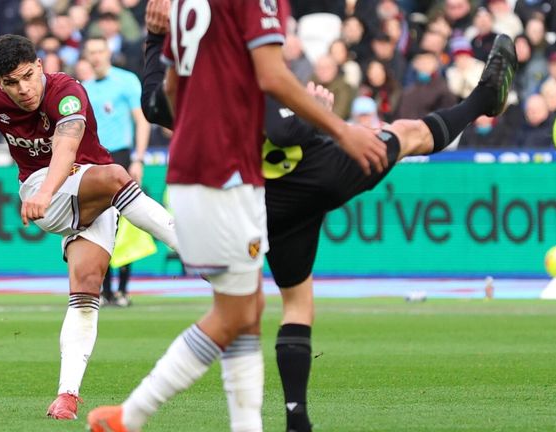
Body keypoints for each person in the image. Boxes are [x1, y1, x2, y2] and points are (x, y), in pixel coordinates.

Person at [132, 2, 517, 430]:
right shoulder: (245, 23)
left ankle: (296, 418)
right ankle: (483, 99)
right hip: (307, 178)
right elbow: (278, 116)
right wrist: (327, 120)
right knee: (406, 135)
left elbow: (155, 104)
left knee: (282, 304)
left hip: (249, 206)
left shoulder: (191, 52)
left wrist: (152, 40)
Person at [87, 0, 389, 431]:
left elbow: (168, 96)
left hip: (206, 168)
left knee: (247, 310)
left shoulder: (189, 7)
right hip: (223, 173)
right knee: (234, 314)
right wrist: (341, 129)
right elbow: (271, 74)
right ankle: (129, 417)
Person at [0, 34, 178, 421]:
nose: (22, 89)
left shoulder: (68, 92)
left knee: (87, 286)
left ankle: (66, 396)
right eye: (11, 82)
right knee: (116, 176)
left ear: (40, 66)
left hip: (82, 191)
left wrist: (50, 191)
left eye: (27, 76)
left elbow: (67, 148)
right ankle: (195, 251)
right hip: (43, 188)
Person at [82, 35, 151, 307]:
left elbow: (141, 120)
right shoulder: (83, 88)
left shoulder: (126, 81)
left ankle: (122, 289)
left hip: (121, 156)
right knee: (98, 223)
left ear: (108, 52)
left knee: (127, 223)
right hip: (94, 160)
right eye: (91, 52)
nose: (96, 56)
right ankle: (104, 289)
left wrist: (139, 158)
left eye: (100, 51)